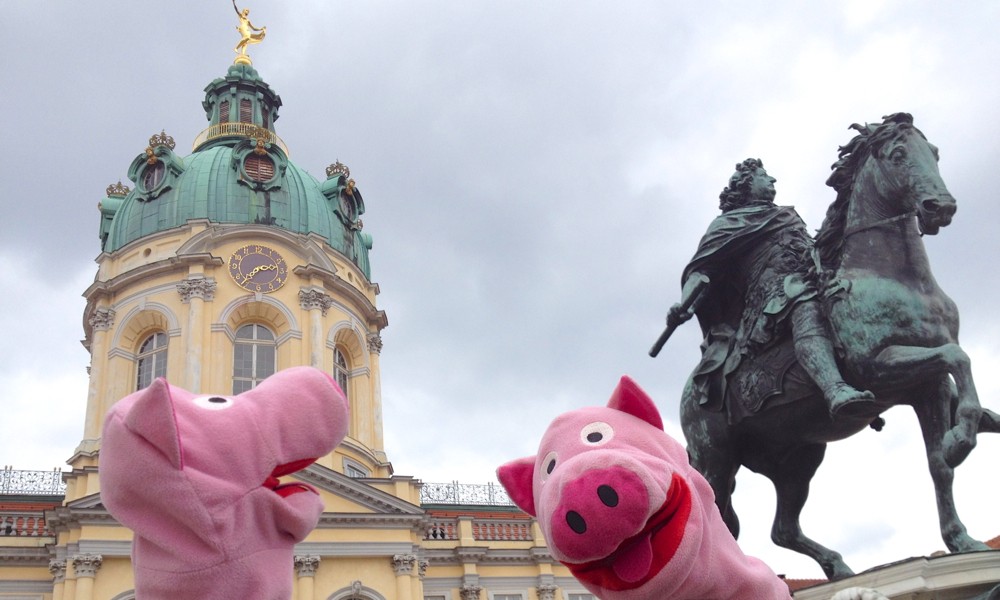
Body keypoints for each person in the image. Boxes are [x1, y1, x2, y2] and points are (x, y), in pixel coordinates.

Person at [669, 158, 873, 418]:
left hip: (809, 278)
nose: (772, 180)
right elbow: (701, 271)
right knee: (804, 303)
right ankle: (835, 389)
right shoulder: (727, 224)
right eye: (764, 175)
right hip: (768, 297)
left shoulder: (786, 215)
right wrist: (685, 304)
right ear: (745, 185)